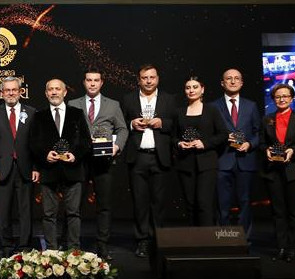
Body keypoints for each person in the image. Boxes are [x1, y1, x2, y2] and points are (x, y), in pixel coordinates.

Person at [68, 67, 128, 259]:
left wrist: (117, 146)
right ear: (84, 82)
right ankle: (72, 245)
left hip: (104, 161)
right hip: (80, 162)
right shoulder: (73, 104)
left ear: (101, 82)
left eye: (96, 80)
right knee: (74, 205)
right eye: (89, 80)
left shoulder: (113, 105)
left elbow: (122, 129)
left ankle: (102, 245)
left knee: (104, 206)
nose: (92, 83)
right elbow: (68, 131)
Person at [29, 79, 92, 250]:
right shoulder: (39, 116)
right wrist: (45, 154)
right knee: (48, 214)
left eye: (58, 89)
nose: (54, 92)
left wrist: (75, 155)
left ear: (65, 92)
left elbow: (86, 141)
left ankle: (74, 250)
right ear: (46, 93)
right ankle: (51, 250)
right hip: (49, 171)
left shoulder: (77, 114)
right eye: (51, 89)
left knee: (73, 213)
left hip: (73, 170)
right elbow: (33, 142)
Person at [121, 64, 176, 258]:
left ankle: (158, 240)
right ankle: (142, 241)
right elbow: (120, 124)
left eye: (152, 77)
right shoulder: (128, 99)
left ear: (158, 78)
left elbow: (177, 124)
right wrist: (131, 123)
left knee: (158, 202)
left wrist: (163, 123)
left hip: (160, 156)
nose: (149, 81)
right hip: (137, 157)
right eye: (145, 77)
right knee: (140, 202)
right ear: (139, 80)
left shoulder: (169, 99)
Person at [0, 77, 39, 256]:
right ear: (2, 93)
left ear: (20, 92)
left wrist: (36, 167)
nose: (10, 93)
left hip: (25, 169)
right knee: (3, 211)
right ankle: (7, 246)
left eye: (14, 90)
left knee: (26, 211)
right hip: (2, 169)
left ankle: (25, 247)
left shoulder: (31, 112)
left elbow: (35, 143)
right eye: (7, 90)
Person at [260, 83, 295, 262]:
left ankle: (292, 247)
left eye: (285, 96)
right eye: (278, 96)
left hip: (294, 170)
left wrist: (293, 151)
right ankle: (281, 246)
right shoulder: (267, 119)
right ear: (273, 99)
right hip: (273, 171)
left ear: (291, 98)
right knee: (278, 211)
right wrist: (266, 150)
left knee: (293, 211)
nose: (281, 99)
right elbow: (261, 142)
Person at [173, 75, 228, 226]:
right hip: (185, 164)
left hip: (207, 164)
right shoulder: (179, 112)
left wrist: (205, 143)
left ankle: (207, 238)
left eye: (195, 87)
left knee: (204, 203)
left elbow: (223, 134)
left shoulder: (212, 110)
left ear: (202, 90)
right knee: (190, 204)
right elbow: (173, 137)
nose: (191, 90)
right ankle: (193, 237)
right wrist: (179, 143)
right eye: (188, 87)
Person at [211, 68, 259, 237]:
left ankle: (244, 240)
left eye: (236, 78)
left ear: (241, 82)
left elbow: (258, 132)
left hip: (245, 160)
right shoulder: (213, 106)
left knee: (245, 202)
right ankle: (223, 238)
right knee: (222, 204)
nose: (233, 81)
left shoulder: (251, 106)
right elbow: (210, 134)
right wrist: (224, 138)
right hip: (222, 160)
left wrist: (249, 144)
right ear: (222, 83)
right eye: (229, 78)